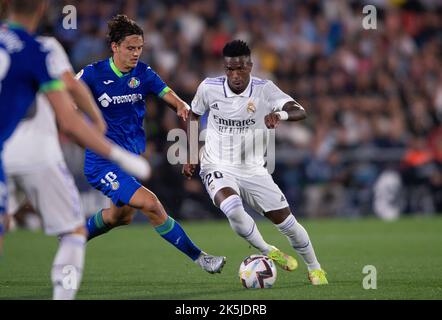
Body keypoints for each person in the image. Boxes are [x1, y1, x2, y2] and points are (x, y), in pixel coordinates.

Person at [0, 0, 151, 299]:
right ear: (42, 10)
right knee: (73, 232)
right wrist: (114, 150)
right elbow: (69, 115)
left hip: (4, 155)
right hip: (36, 155)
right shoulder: (41, 49)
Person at [79, 15, 226, 274]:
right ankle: (201, 258)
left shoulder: (143, 73)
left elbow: (170, 96)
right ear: (115, 47)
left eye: (139, 48)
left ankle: (75, 236)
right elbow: (66, 95)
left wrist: (181, 106)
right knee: (151, 204)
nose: (136, 53)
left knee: (118, 217)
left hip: (131, 161)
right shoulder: (92, 75)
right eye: (130, 48)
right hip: (102, 162)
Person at [183, 40, 328, 285]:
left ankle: (315, 268)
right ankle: (266, 249)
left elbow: (300, 110)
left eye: (240, 68)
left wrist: (279, 114)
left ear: (250, 66)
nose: (235, 75)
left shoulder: (265, 89)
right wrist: (190, 154)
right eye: (230, 69)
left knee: (288, 224)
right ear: (224, 68)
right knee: (232, 209)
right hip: (217, 164)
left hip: (253, 169)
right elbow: (194, 114)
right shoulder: (209, 87)